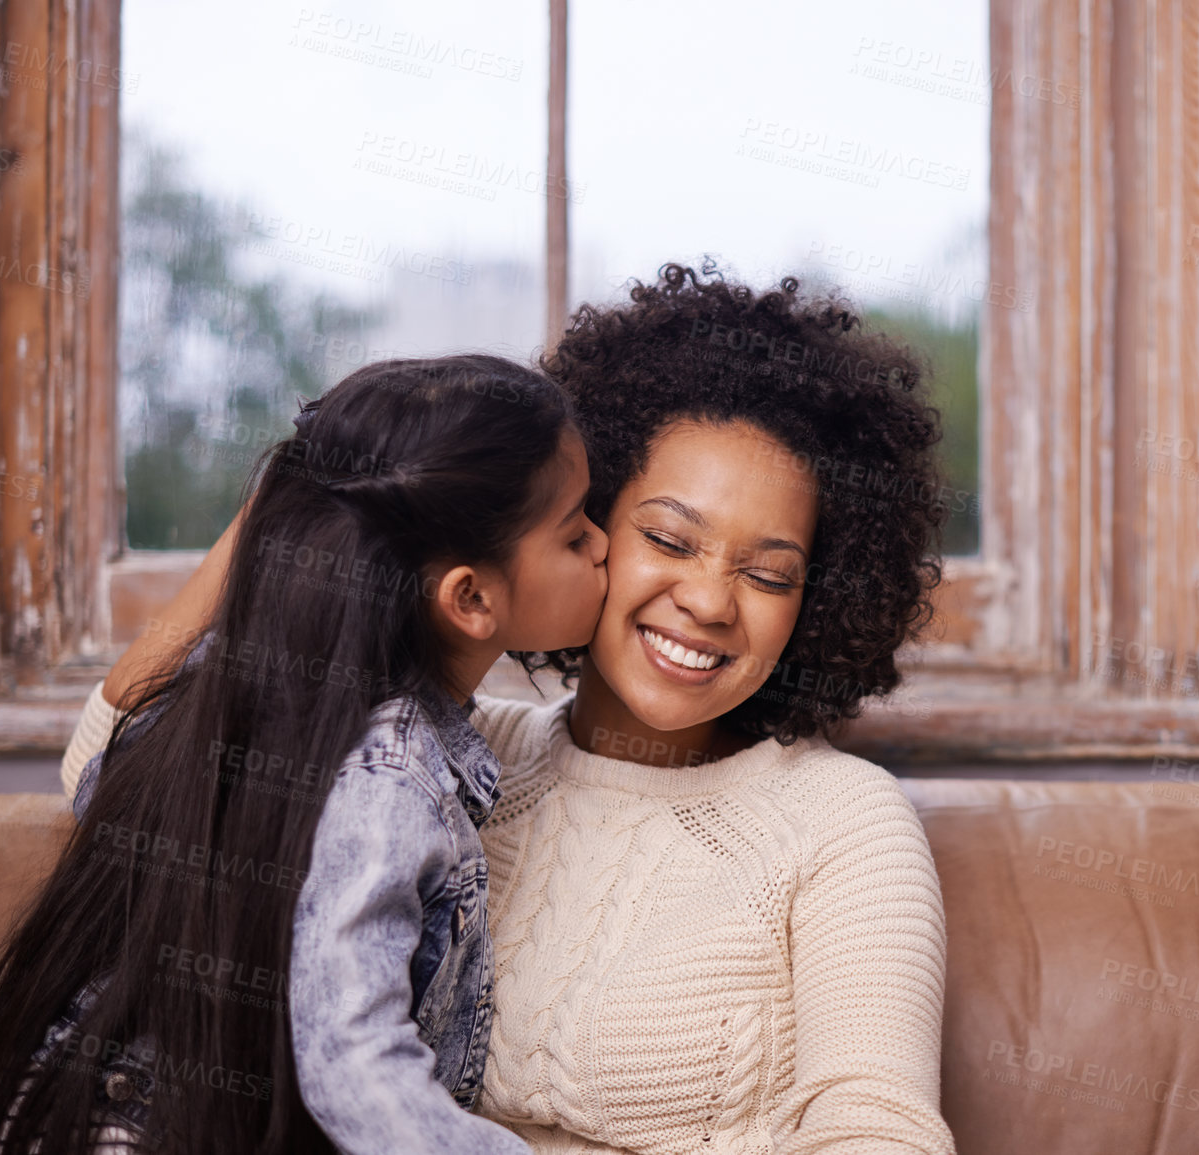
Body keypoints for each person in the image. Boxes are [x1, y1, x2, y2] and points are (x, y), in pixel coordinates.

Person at [62, 261, 961, 1153]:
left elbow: (881, 1136)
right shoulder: (440, 755)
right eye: (666, 538)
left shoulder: (840, 818)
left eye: (767, 574)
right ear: (580, 528)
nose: (710, 601)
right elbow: (119, 766)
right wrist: (312, 493)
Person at [0, 354, 608, 1155]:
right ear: (470, 598)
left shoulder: (263, 697)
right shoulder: (390, 778)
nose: (604, 545)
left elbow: (100, 769)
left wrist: (323, 483)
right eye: (576, 529)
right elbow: (357, 1070)